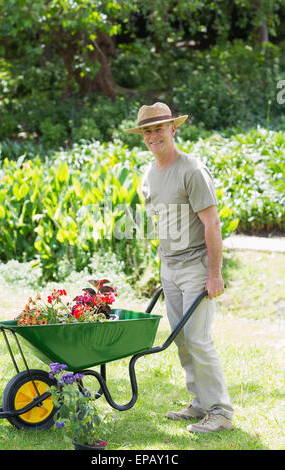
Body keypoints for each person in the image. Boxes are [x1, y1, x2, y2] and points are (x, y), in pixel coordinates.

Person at [125, 102, 234, 433]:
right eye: (147, 131)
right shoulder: (150, 174)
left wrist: (214, 274)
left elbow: (211, 224)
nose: (153, 135)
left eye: (159, 128)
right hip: (169, 267)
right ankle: (200, 402)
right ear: (143, 137)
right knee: (182, 339)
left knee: (198, 338)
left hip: (196, 266)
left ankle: (221, 412)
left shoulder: (192, 171)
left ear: (174, 129)